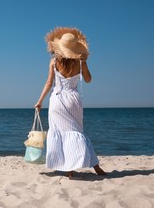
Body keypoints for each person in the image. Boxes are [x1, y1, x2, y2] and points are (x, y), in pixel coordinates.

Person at [34, 27, 106, 178]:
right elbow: (88, 80)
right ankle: (96, 167)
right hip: (73, 100)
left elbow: (48, 83)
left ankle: (69, 170)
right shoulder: (79, 63)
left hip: (57, 101)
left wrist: (39, 101)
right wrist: (84, 64)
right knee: (77, 133)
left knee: (60, 134)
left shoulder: (53, 62)